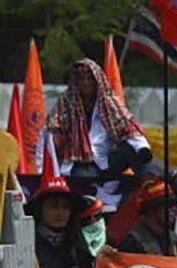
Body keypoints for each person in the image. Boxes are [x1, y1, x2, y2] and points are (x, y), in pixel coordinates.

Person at [45, 60, 151, 207]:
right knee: (85, 179)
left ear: (96, 81)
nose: (85, 83)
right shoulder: (66, 102)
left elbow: (127, 126)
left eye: (89, 79)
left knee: (133, 150)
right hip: (80, 161)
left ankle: (149, 186)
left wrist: (143, 149)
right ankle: (103, 195)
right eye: (81, 79)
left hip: (105, 159)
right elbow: (50, 132)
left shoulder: (108, 102)